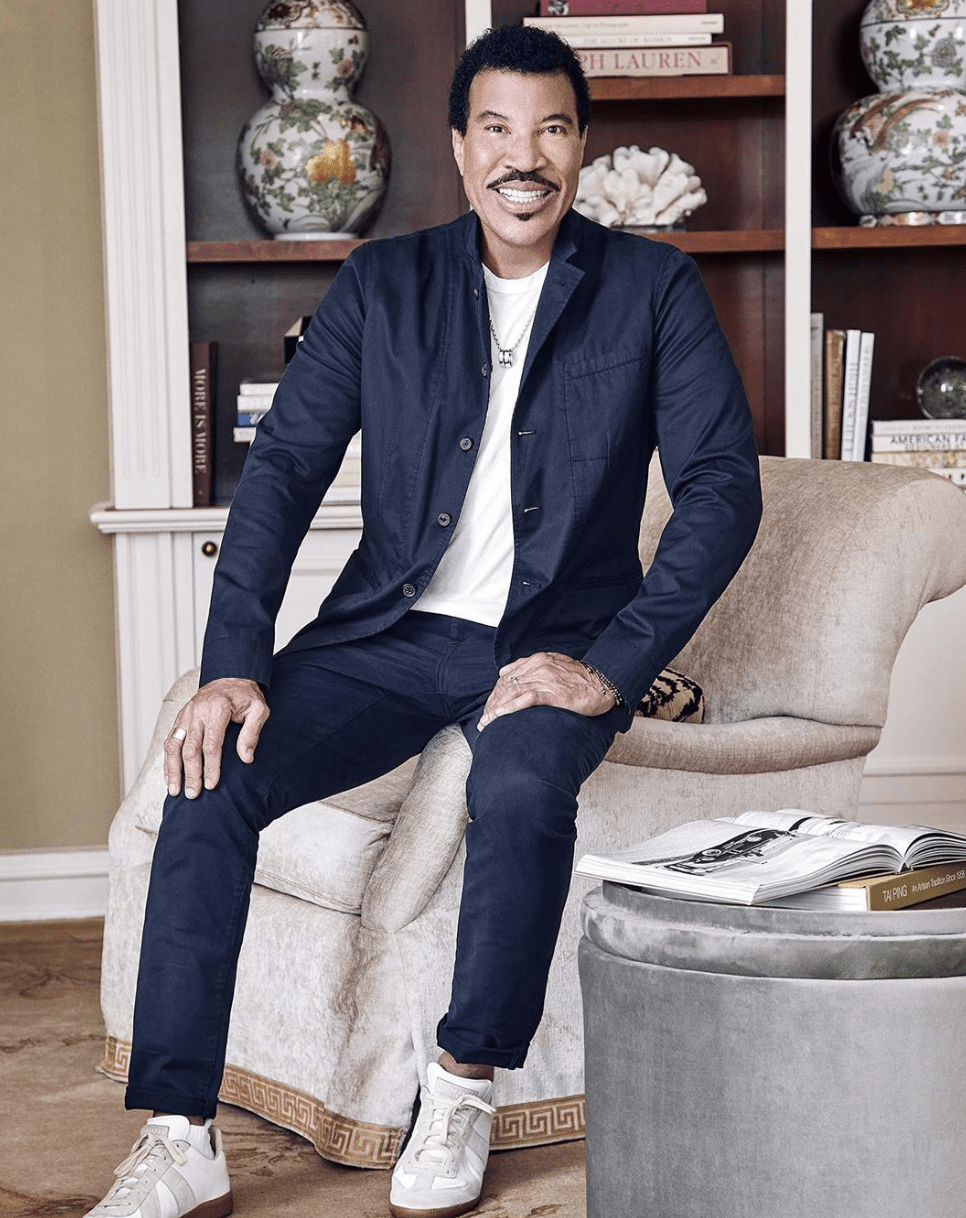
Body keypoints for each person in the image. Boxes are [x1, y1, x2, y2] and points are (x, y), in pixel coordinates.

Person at [85, 22, 761, 1218]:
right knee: (206, 777)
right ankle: (182, 1132)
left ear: (580, 145)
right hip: (390, 640)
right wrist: (232, 665)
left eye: (550, 128)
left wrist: (608, 671)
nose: (524, 155)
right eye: (496, 127)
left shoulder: (652, 287)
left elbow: (721, 488)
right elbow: (284, 470)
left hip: (555, 647)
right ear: (459, 148)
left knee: (515, 788)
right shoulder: (380, 286)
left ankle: (463, 1081)